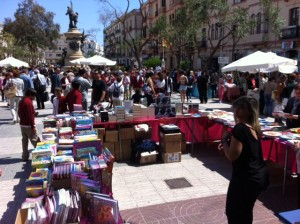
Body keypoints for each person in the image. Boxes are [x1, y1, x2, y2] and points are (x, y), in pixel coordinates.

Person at [218, 96, 269, 224]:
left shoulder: (240, 128)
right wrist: (227, 144)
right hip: (256, 176)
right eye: (237, 107)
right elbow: (244, 151)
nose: (237, 110)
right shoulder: (253, 127)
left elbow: (232, 156)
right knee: (245, 211)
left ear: (249, 111)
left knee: (234, 212)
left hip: (247, 178)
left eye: (241, 108)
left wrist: (224, 140)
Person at [18, 88, 39, 161]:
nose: (34, 98)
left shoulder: (22, 101)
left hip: (22, 124)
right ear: (30, 95)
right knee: (36, 141)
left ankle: (25, 156)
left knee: (24, 141)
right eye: (34, 96)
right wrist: (33, 126)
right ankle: (40, 156)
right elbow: (30, 116)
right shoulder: (28, 102)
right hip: (28, 125)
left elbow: (19, 113)